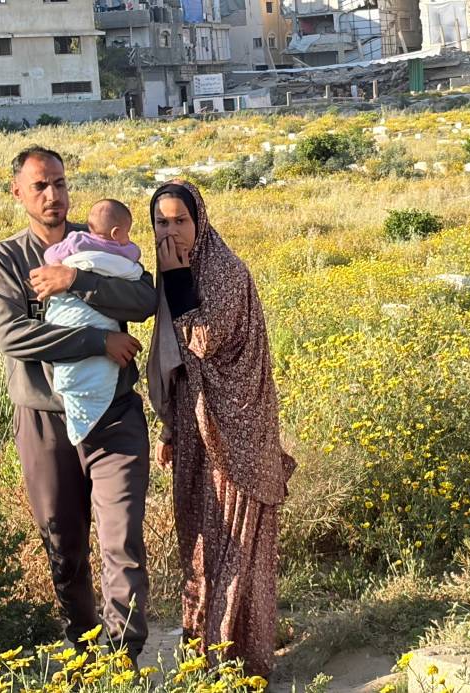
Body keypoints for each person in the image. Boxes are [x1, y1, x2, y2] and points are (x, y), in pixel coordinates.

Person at [0, 146, 157, 659]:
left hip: (113, 415)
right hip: (44, 421)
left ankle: (122, 659)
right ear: (17, 193)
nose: (52, 194)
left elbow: (145, 299)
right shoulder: (4, 260)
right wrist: (98, 341)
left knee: (121, 540)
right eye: (40, 185)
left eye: (59, 183)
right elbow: (15, 336)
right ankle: (82, 652)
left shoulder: (99, 240)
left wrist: (78, 281)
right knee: (65, 546)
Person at [145, 180, 296, 678]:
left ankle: (235, 661)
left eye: (180, 221)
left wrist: (176, 278)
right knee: (198, 539)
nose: (171, 232)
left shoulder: (223, 271)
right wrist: (170, 429)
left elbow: (203, 340)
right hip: (195, 426)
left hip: (237, 431)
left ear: (200, 222)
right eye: (161, 222)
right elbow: (175, 363)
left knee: (234, 539)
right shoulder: (177, 271)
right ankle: (203, 657)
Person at [42, 199, 147, 446]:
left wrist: (71, 276)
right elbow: (134, 264)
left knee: (78, 372)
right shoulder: (122, 252)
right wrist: (100, 341)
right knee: (94, 374)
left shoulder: (76, 240)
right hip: (46, 408)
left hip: (118, 409)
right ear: (117, 232)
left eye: (59, 183)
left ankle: (81, 414)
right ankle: (84, 413)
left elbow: (51, 256)